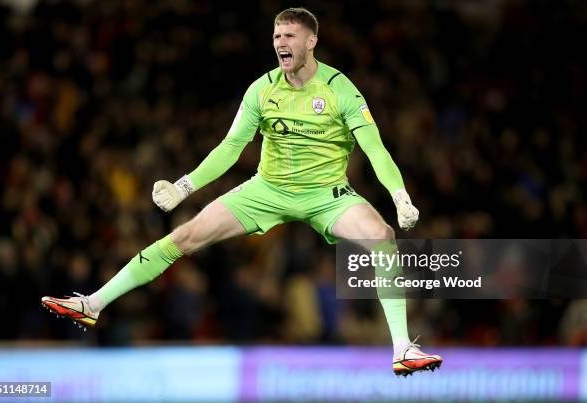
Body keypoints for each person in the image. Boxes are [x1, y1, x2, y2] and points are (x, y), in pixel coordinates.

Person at [42, 7, 442, 376]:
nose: (281, 43)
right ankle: (92, 304)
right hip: (266, 190)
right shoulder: (261, 90)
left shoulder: (341, 90)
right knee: (183, 237)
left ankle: (402, 348)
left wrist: (399, 195)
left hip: (326, 194)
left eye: (289, 35)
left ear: (311, 41)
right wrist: (185, 186)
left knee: (382, 236)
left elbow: (375, 147)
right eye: (276, 36)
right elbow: (231, 148)